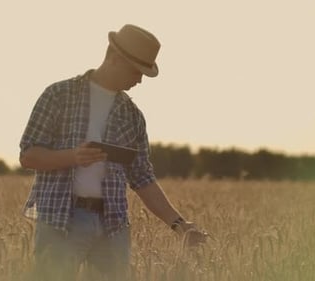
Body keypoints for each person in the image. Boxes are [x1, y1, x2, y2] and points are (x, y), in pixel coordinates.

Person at [19, 24, 207, 281]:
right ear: (115, 58)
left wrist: (179, 225)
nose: (140, 80)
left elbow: (142, 178)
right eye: (137, 71)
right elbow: (28, 155)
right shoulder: (58, 95)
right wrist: (73, 157)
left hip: (113, 226)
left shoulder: (133, 116)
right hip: (61, 221)